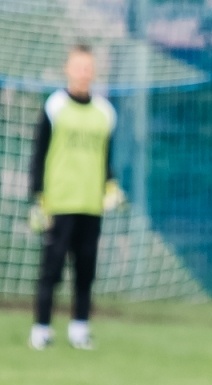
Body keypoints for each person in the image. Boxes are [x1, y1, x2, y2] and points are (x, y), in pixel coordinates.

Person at [28, 44, 123, 352]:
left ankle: (80, 329)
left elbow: (106, 157)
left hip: (90, 204)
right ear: (68, 69)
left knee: (86, 270)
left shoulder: (105, 112)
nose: (84, 72)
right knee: (52, 269)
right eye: (78, 66)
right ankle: (41, 329)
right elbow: (39, 153)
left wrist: (110, 185)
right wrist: (38, 195)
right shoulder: (54, 106)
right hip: (59, 202)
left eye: (88, 67)